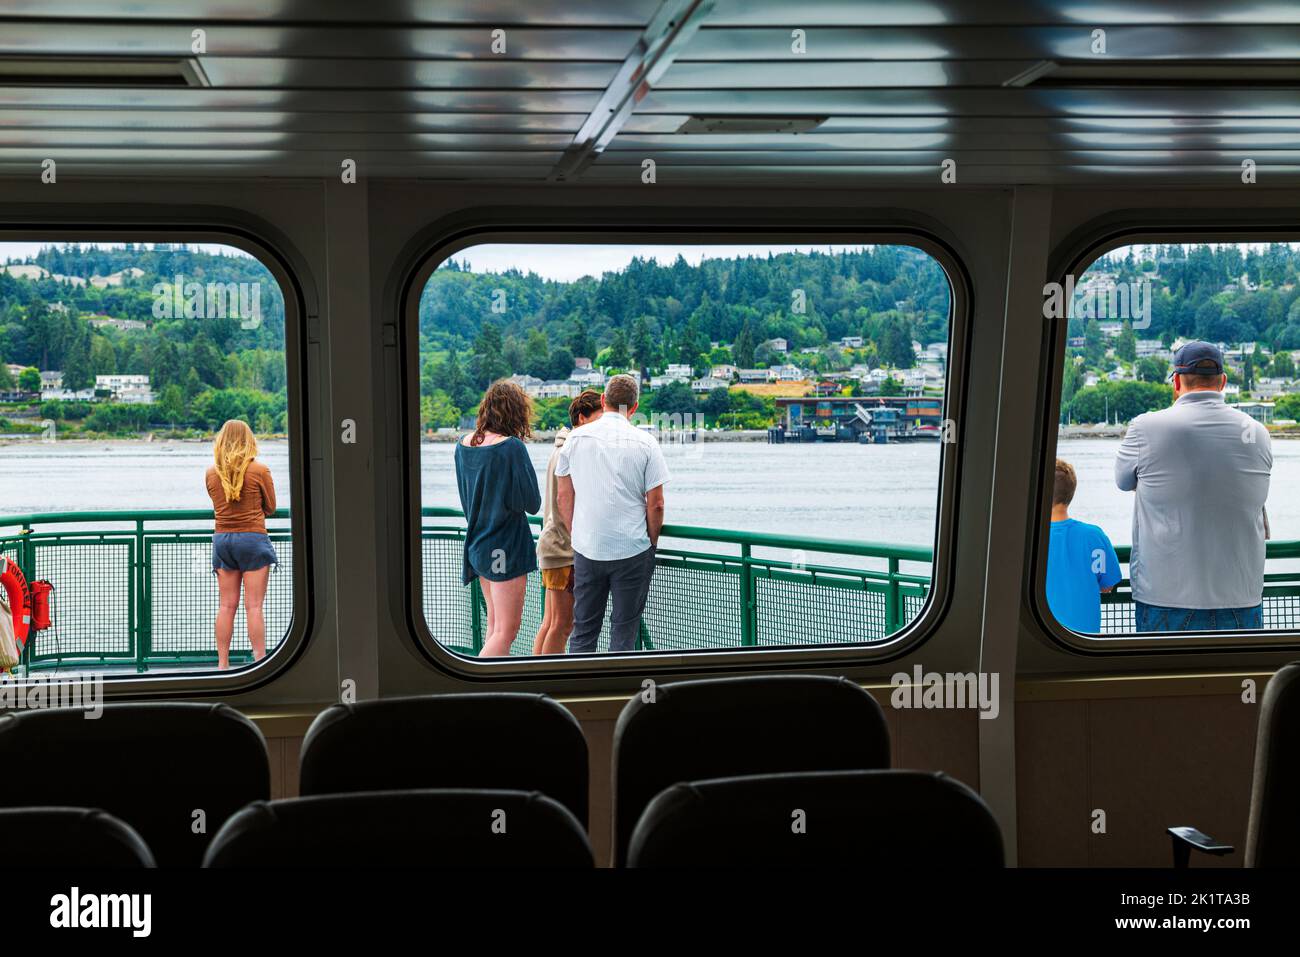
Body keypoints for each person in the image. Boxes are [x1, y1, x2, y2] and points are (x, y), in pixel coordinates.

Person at [1115, 340, 1272, 632]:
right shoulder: (1257, 432)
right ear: (1223, 382)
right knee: (1236, 678)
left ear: (1176, 381)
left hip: (1165, 597)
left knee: (1167, 678)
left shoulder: (1145, 428)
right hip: (1241, 598)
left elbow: (1123, 481)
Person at [556, 373, 668, 654]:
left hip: (587, 547)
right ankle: (620, 693)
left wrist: (577, 536)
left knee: (583, 630)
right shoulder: (646, 443)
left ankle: (579, 691)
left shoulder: (575, 439)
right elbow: (656, 504)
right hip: (632, 549)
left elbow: (563, 496)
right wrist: (651, 541)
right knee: (624, 629)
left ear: (604, 400)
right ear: (634, 407)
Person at [454, 380, 542, 657]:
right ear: (517, 412)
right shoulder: (511, 447)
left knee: (494, 626)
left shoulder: (464, 445)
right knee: (507, 631)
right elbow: (533, 503)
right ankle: (476, 693)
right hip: (505, 547)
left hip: (478, 544)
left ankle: (493, 692)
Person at [533, 390, 604, 656]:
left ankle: (535, 676)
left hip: (552, 545)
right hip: (565, 549)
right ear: (582, 418)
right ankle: (551, 681)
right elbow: (568, 503)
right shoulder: (572, 450)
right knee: (563, 625)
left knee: (550, 623)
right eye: (599, 418)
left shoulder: (561, 447)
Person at [205, 419, 278, 670]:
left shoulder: (211, 473)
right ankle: (260, 661)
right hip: (253, 539)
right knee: (254, 606)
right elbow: (271, 507)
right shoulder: (260, 470)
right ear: (249, 440)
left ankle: (222, 664)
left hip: (222, 540)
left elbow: (218, 505)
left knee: (226, 605)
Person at [1046, 459, 1121, 633]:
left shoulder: (1029, 539)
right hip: (1084, 642)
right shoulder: (1093, 535)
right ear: (1070, 494)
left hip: (1040, 637)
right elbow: (1107, 585)